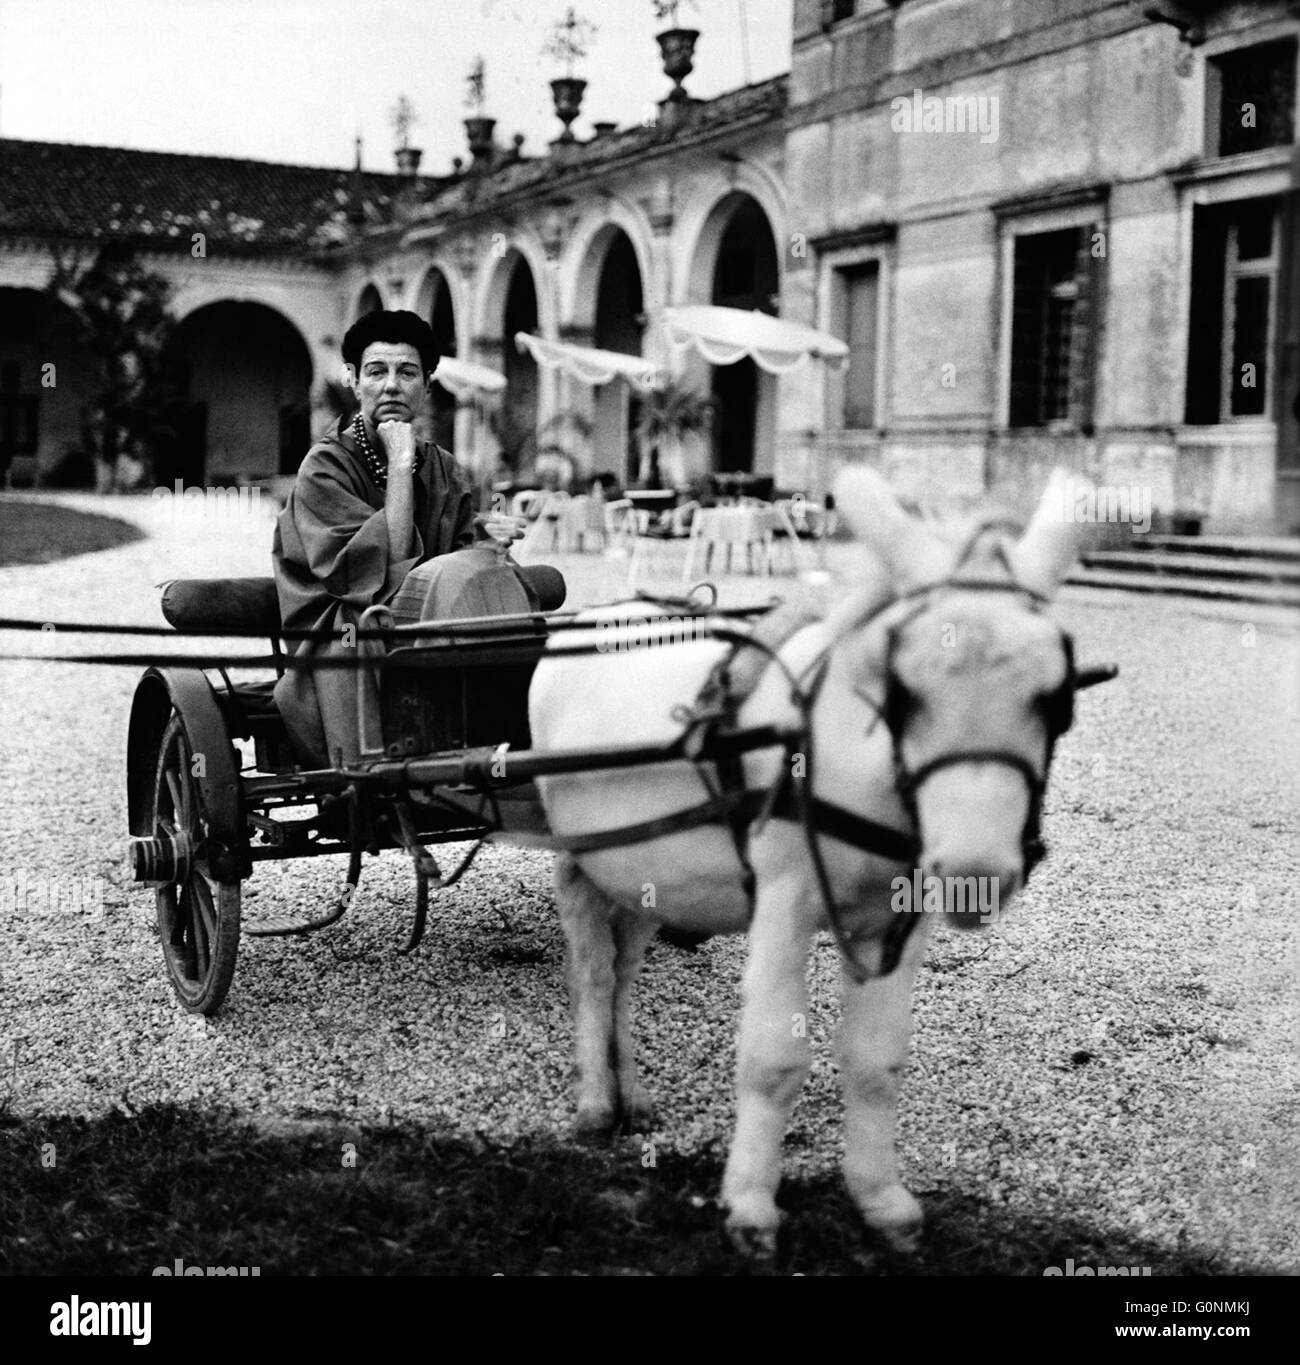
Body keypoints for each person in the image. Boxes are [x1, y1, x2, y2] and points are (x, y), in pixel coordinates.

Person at [272, 309, 525, 767]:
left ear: (427, 385)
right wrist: (401, 465)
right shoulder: (324, 467)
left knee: (509, 598)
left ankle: (507, 749)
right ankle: (377, 764)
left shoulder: (445, 467)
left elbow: (455, 558)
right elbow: (375, 571)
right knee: (363, 629)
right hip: (342, 623)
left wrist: (488, 547)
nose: (391, 385)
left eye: (407, 372)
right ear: (353, 380)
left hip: (427, 617)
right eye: (376, 371)